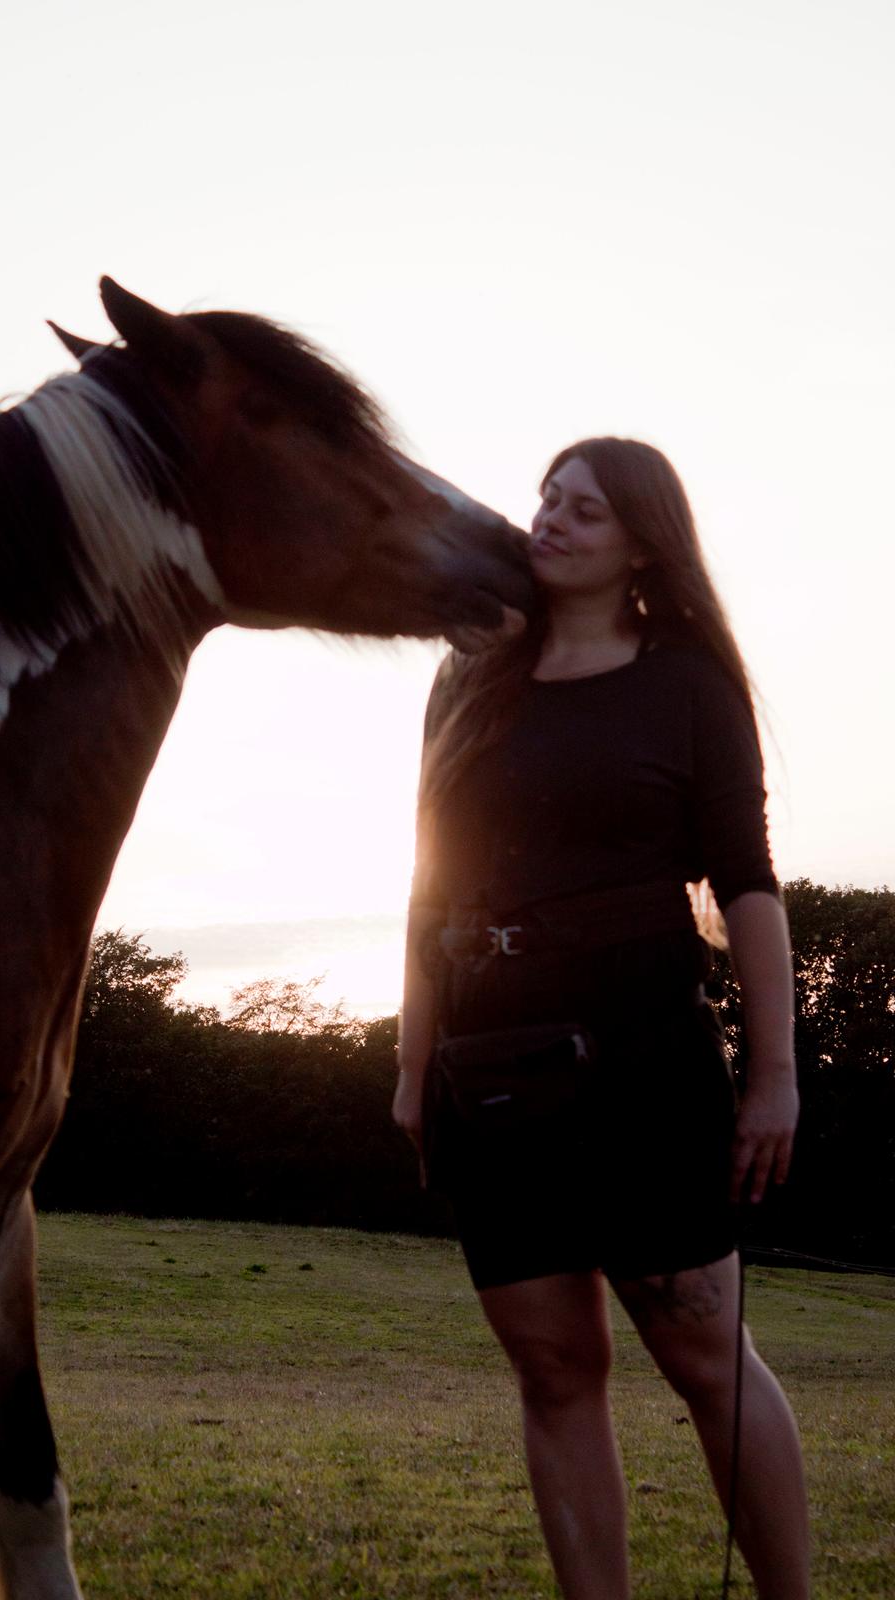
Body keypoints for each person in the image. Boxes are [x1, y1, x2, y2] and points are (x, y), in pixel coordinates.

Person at [393, 438, 808, 1600]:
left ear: (640, 543)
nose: (550, 519)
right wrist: (410, 1058)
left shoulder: (687, 685)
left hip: (642, 1059)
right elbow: (428, 883)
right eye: (546, 498)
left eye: (583, 508)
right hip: (488, 1065)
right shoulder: (468, 673)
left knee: (701, 1353)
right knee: (554, 1366)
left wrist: (774, 1075)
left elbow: (747, 883)